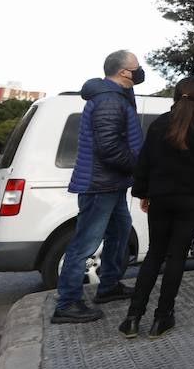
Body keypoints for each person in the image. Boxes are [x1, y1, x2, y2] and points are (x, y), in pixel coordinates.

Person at [119, 76, 194, 339]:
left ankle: (132, 318)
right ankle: (162, 318)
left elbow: (145, 162)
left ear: (176, 96)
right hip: (192, 201)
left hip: (161, 199)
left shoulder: (159, 124)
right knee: (176, 256)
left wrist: (143, 193)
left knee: (154, 254)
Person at [52, 50, 145, 324]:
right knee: (85, 243)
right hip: (99, 183)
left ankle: (109, 286)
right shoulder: (108, 100)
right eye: (136, 67)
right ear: (124, 72)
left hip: (112, 182)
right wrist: (140, 167)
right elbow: (109, 147)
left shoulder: (116, 97)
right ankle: (67, 303)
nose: (140, 71)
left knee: (119, 233)